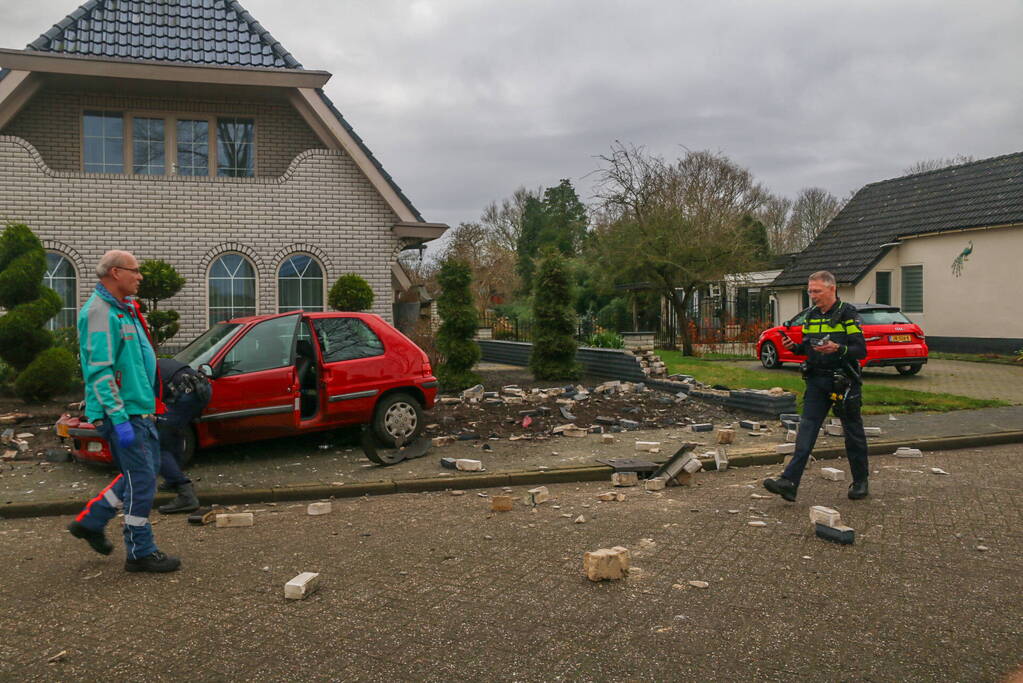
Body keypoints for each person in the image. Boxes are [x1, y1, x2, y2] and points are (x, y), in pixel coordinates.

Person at [67, 250, 181, 573]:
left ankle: (92, 521)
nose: (140, 276)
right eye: (135, 271)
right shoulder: (100, 312)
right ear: (116, 273)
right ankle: (140, 551)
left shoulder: (123, 309)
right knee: (143, 480)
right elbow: (100, 372)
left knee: (141, 474)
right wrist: (118, 419)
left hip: (138, 410)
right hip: (124, 414)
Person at [763, 270, 870, 502]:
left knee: (853, 433)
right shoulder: (811, 315)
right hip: (816, 381)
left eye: (817, 291)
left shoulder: (847, 314)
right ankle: (789, 483)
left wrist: (838, 349)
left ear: (832, 289)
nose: (812, 295)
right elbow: (807, 348)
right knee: (807, 431)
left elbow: (860, 350)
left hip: (844, 382)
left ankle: (861, 482)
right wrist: (794, 347)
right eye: (810, 291)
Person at [156, 357, 211, 514]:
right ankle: (173, 478)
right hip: (201, 388)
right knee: (173, 432)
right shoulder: (158, 361)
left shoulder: (140, 371)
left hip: (185, 395)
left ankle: (185, 494)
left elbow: (149, 401)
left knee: (158, 443)